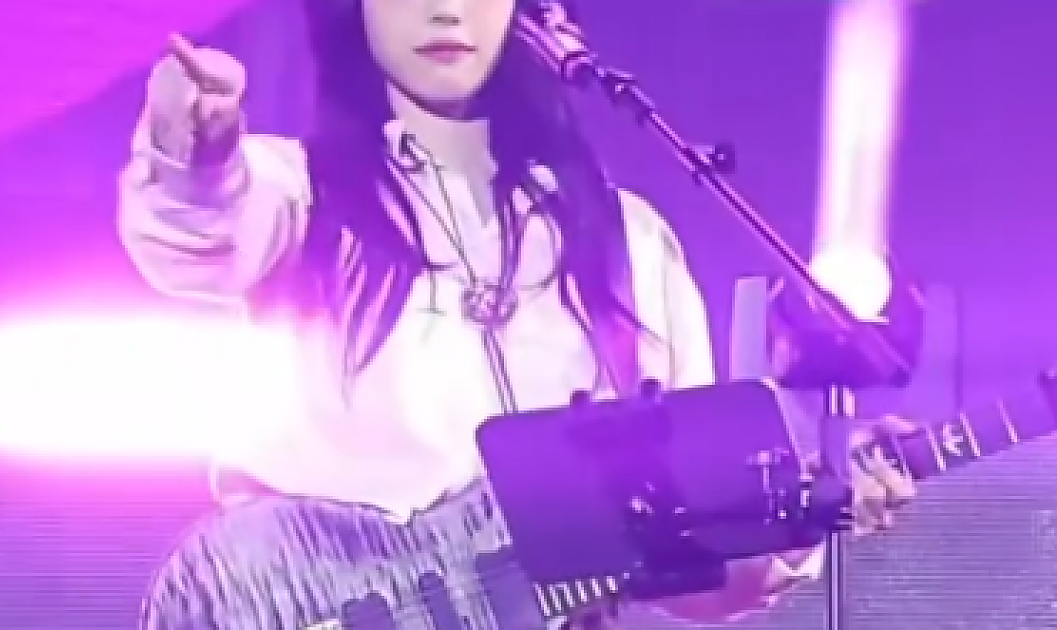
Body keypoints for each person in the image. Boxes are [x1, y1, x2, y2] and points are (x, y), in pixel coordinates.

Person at [119, 0, 916, 626]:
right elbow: (195, 233)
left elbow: (693, 566)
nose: (447, 9)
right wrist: (193, 153)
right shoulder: (293, 192)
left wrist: (806, 506)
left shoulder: (630, 241)